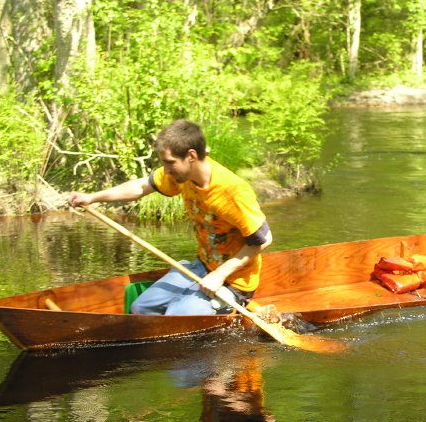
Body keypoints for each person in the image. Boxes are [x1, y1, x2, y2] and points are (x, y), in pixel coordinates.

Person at [68, 119, 273, 315]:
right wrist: (92, 197)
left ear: (191, 156)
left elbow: (263, 239)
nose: (165, 169)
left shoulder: (232, 191)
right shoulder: (182, 176)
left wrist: (219, 275)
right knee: (141, 308)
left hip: (235, 280)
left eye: (170, 162)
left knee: (178, 314)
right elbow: (140, 186)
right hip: (202, 266)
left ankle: (230, 309)